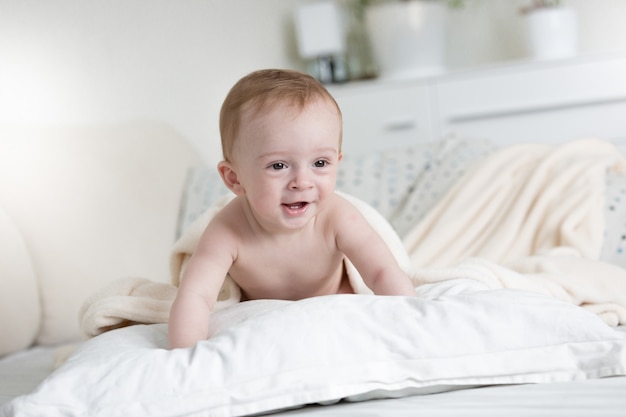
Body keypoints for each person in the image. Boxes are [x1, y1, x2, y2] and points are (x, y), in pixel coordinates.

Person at [168, 69, 416, 349]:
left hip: (334, 298)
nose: (302, 182)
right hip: (266, 317)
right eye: (278, 166)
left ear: (338, 160)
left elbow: (381, 272)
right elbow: (196, 296)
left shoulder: (336, 217)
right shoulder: (228, 230)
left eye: (320, 163)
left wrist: (412, 322)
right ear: (234, 179)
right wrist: (184, 355)